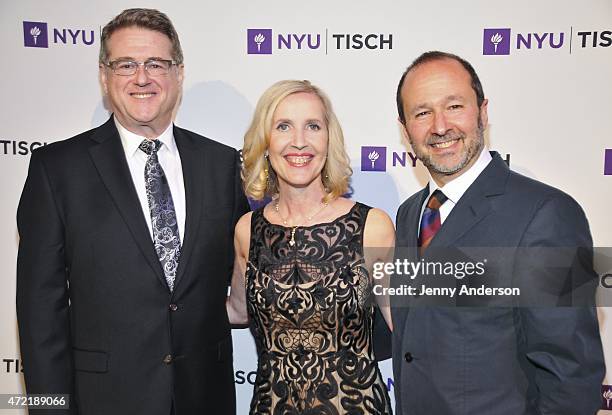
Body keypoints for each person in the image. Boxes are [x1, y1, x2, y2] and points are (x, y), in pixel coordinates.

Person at [16, 8, 248, 415]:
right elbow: (39, 313)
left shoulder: (222, 165)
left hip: (204, 399)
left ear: (178, 74)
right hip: (102, 402)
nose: (142, 78)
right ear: (105, 76)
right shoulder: (57, 170)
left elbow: (249, 272)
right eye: (126, 64)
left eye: (156, 64)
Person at [391, 51, 605, 415]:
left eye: (454, 106)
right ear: (405, 126)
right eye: (422, 112)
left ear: (483, 112)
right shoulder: (411, 213)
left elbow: (571, 374)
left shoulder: (547, 214)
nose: (440, 126)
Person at [226, 80, 395, 414]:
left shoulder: (372, 226)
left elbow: (405, 327)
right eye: (283, 126)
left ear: (328, 139)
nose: (299, 142)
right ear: (266, 141)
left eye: (313, 126)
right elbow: (237, 310)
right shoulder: (248, 229)